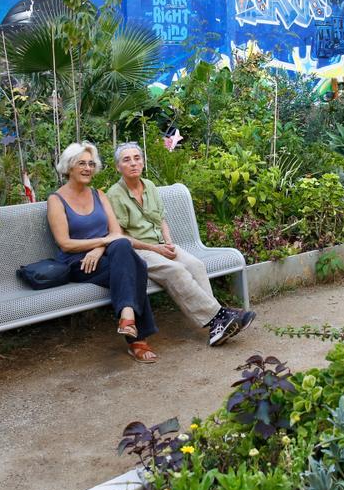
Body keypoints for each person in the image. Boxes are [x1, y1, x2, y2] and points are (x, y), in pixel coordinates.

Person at [106, 141, 256, 346]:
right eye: (126, 160)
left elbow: (162, 220)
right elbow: (120, 235)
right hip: (138, 250)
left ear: (142, 162)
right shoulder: (114, 194)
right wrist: (154, 248)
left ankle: (216, 325)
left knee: (196, 265)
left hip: (162, 244)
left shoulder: (149, 185)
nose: (133, 163)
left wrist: (168, 242)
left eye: (137, 158)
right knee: (176, 270)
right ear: (118, 167)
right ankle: (218, 318)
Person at [47, 141, 160, 364]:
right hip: (78, 263)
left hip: (105, 256)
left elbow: (116, 232)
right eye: (81, 163)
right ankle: (136, 339)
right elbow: (65, 244)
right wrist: (101, 244)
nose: (88, 168)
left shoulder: (99, 195)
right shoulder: (56, 200)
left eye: (91, 163)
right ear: (70, 166)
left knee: (123, 248)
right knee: (136, 266)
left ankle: (127, 317)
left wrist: (98, 249)